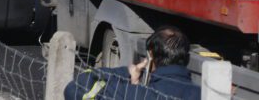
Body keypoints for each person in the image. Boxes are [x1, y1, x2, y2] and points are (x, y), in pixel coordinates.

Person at [64, 25, 200, 100]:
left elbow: (74, 88)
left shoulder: (133, 93)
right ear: (187, 60)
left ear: (150, 56)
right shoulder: (203, 94)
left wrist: (126, 73)